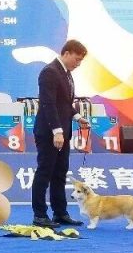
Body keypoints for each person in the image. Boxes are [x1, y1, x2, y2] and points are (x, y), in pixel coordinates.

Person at [30, 40, 89, 228]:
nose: (78, 64)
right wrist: (56, 131)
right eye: (77, 59)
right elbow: (48, 103)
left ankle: (60, 213)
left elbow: (64, 103)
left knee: (60, 173)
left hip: (63, 133)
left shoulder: (66, 73)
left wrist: (77, 116)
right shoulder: (50, 72)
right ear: (67, 53)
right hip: (49, 133)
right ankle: (40, 215)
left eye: (81, 61)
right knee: (45, 172)